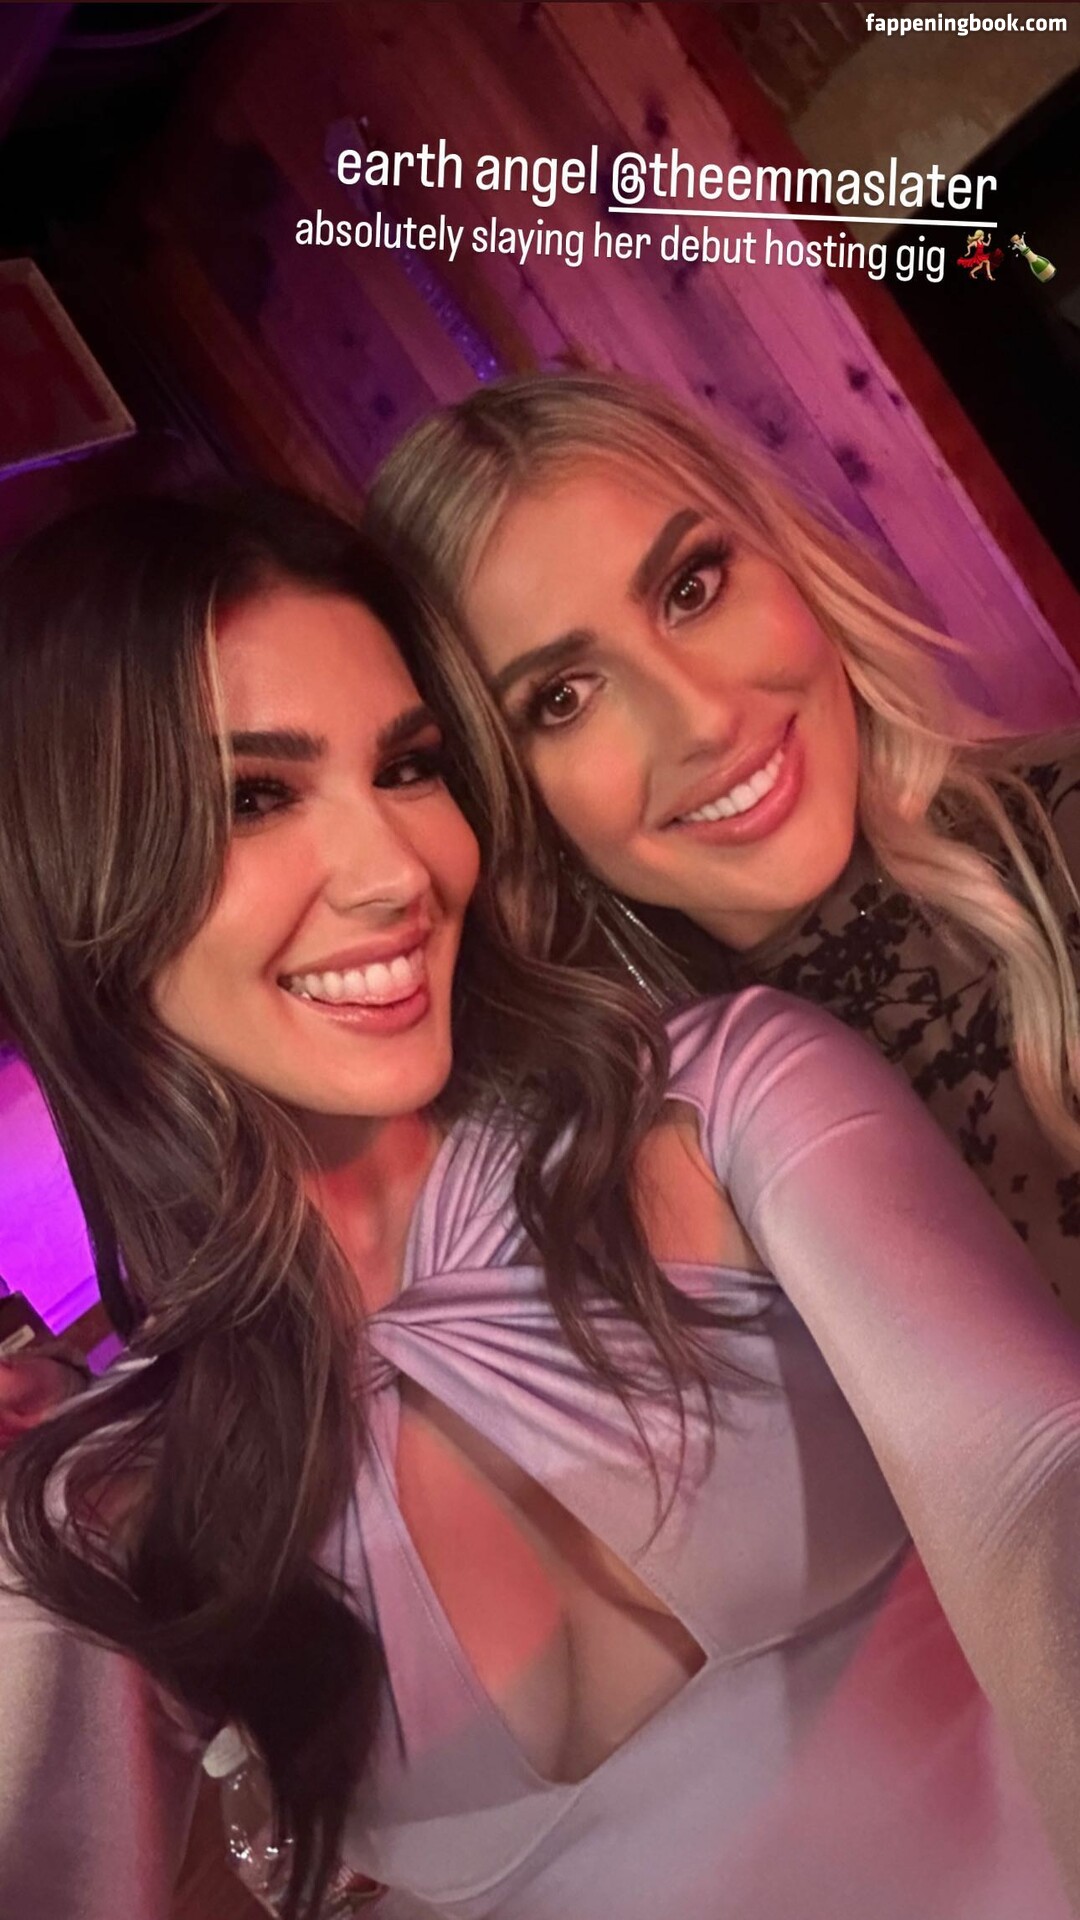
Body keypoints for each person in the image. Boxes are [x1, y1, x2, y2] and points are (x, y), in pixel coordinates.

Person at [1, 492, 1080, 1920]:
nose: (399, 870)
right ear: (76, 871)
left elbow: (1037, 1485)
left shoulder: (715, 1107)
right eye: (257, 796)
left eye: (409, 768)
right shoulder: (108, 1502)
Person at [365, 369, 1080, 1312]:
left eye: (691, 589)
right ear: (505, 803)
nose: (701, 717)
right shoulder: (609, 1168)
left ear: (785, 558)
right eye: (563, 698)